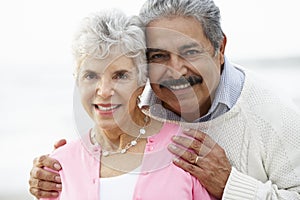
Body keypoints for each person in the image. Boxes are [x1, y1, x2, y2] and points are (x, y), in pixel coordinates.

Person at [29, 0, 300, 199]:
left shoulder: (275, 115)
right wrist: (60, 165)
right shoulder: (143, 98)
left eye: (190, 51)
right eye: (159, 56)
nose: (176, 71)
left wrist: (231, 185)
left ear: (220, 49)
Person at [34, 9, 213, 200]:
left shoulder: (184, 150)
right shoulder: (59, 164)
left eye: (120, 75)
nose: (103, 91)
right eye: (91, 76)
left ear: (142, 81)